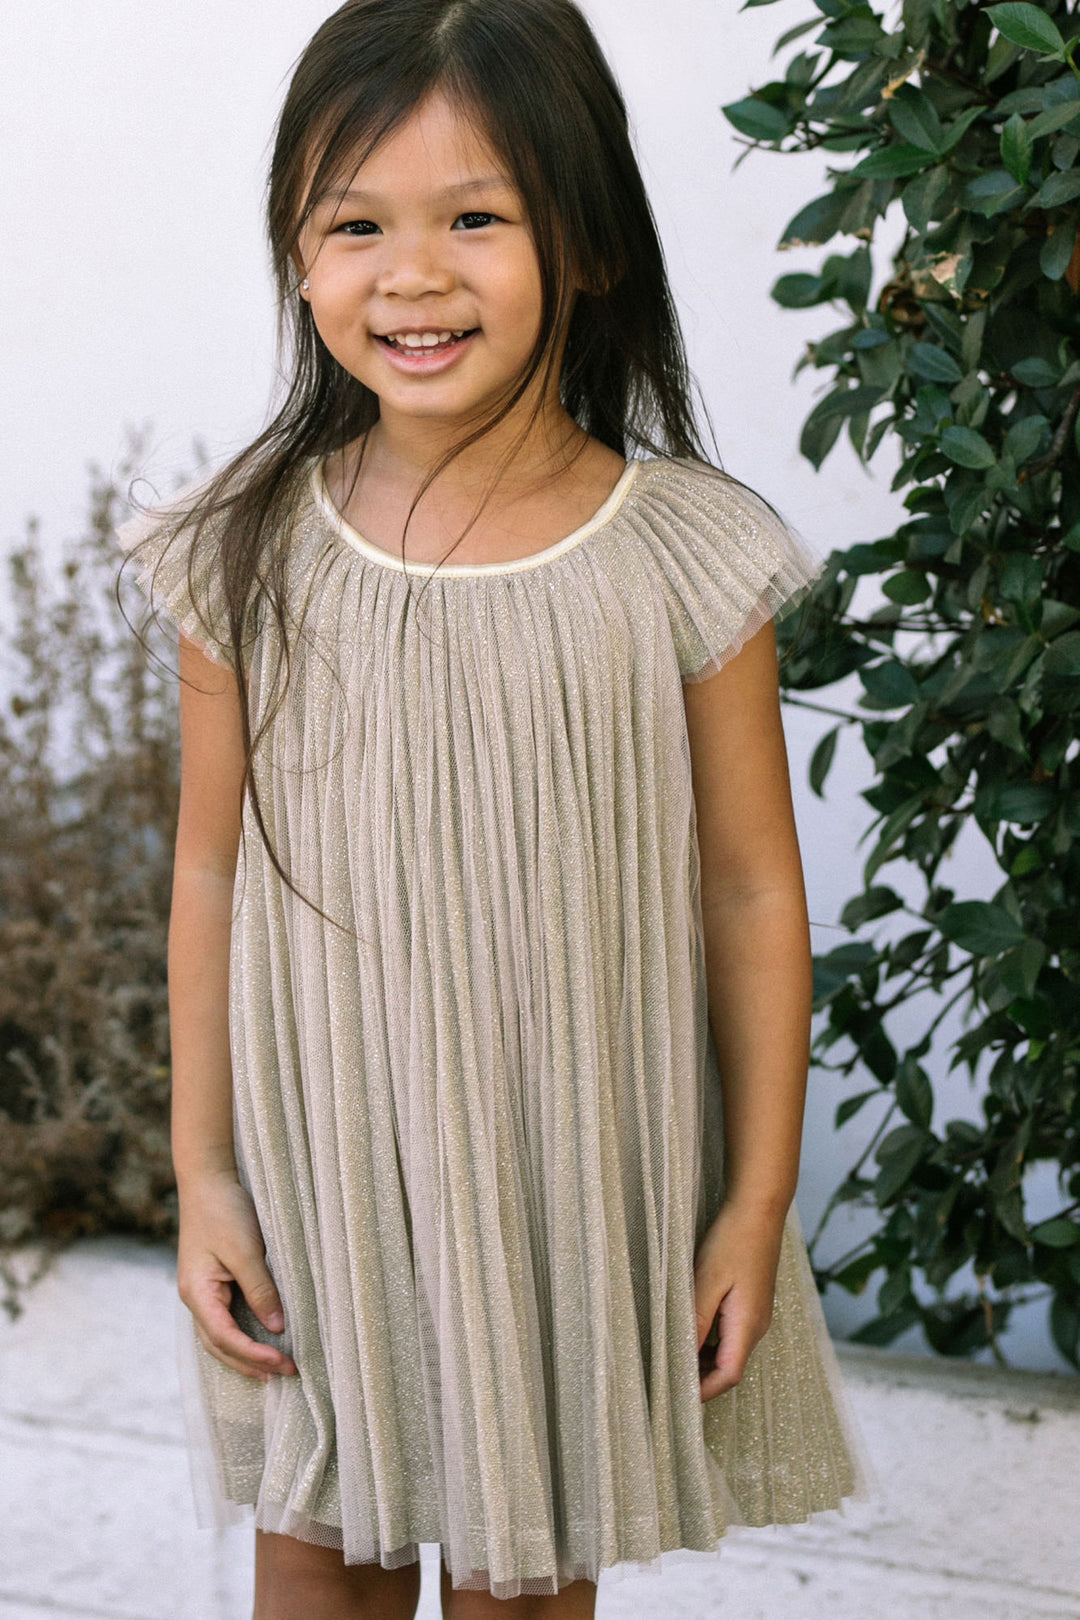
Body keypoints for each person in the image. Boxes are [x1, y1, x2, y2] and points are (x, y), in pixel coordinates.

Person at [116, 1, 874, 1614]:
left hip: (571, 1196)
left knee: (527, 1582)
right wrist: (208, 1178)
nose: (412, 275)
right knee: (319, 1560)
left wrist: (751, 1204)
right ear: (296, 256)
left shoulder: (682, 555)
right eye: (356, 225)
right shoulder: (241, 554)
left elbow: (748, 890)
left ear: (586, 240)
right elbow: (205, 875)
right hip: (329, 1187)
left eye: (477, 217)